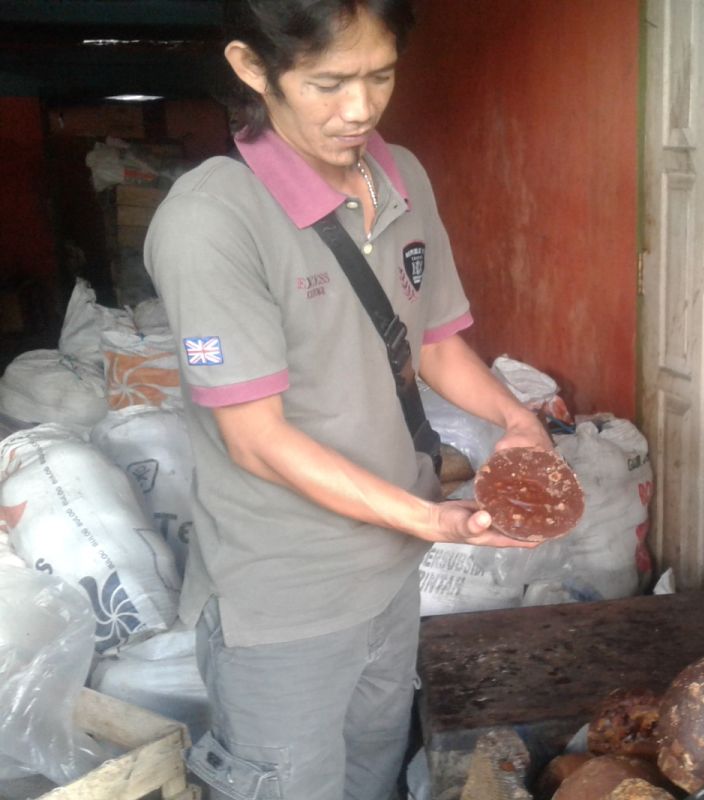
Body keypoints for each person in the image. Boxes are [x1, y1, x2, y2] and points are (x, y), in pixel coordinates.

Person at [144, 2, 552, 798]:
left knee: (372, 772)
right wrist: (435, 518)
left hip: (393, 568)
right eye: (328, 83)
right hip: (286, 598)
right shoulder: (211, 221)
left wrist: (519, 421)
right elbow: (256, 439)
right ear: (252, 68)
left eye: (380, 75)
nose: (360, 109)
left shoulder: (400, 175)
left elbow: (430, 337)